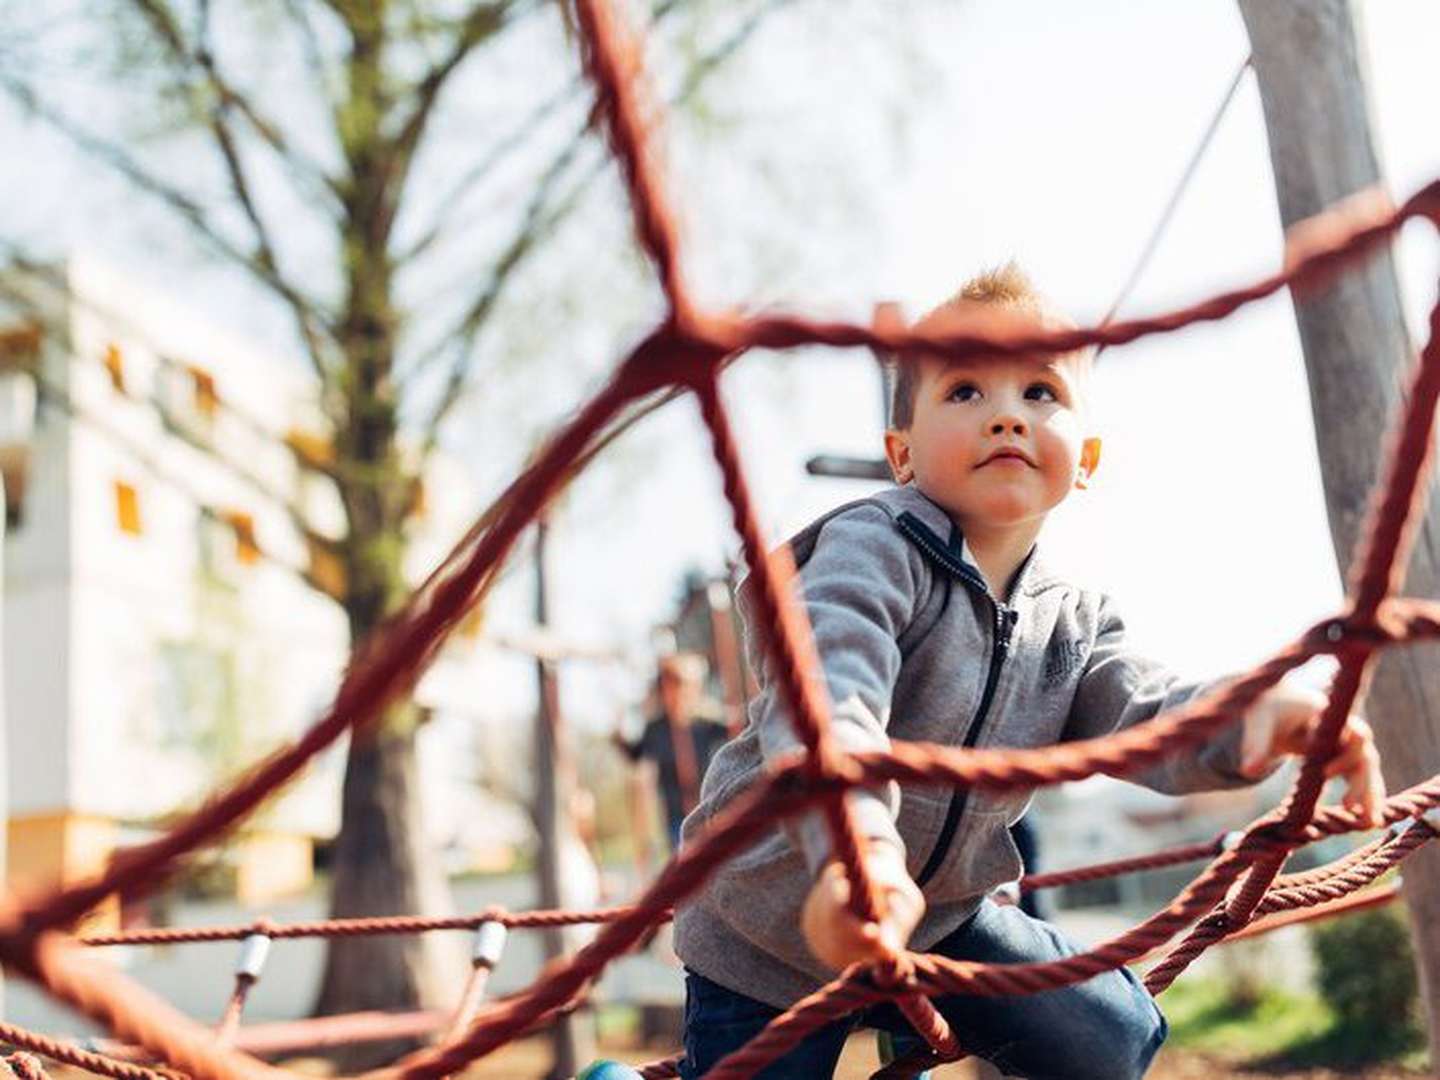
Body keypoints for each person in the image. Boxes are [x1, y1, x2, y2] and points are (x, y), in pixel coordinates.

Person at [671, 264, 1385, 1079]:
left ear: (1087, 457)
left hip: (938, 921)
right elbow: (831, 690)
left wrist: (1256, 715)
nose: (1007, 415)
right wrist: (855, 845)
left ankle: (910, 1024)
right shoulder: (871, 549)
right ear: (902, 454)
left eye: (1040, 392)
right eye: (966, 391)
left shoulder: (1071, 619)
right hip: (776, 925)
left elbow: (1146, 709)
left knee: (1113, 1035)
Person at [616, 652, 731, 852]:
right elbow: (636, 755)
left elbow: (734, 729)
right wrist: (619, 738)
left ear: (694, 691)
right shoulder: (656, 729)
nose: (677, 695)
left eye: (683, 688)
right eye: (671, 687)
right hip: (676, 815)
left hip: (709, 806)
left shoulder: (705, 722)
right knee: (685, 856)